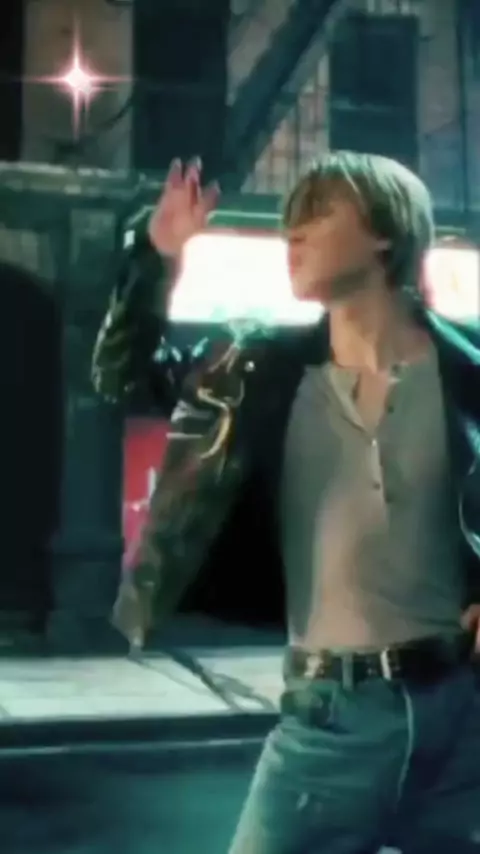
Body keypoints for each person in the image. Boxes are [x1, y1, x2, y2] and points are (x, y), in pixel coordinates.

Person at [92, 152, 480, 853]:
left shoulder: (467, 374)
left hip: (463, 720)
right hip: (328, 722)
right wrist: (158, 257)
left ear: (385, 232)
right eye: (289, 218)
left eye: (317, 214)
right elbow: (121, 377)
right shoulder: (255, 370)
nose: (291, 234)